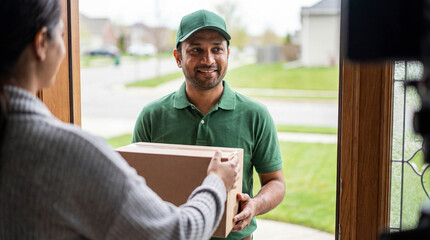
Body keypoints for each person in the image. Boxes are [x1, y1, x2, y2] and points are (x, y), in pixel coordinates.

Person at [0, 1, 240, 239]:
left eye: (216, 49)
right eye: (62, 35)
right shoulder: (71, 154)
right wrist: (217, 181)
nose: (64, 49)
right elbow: (176, 233)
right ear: (42, 43)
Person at [132, 9, 285, 240]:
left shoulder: (256, 115)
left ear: (228, 53)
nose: (209, 60)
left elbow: (275, 182)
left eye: (217, 49)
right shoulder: (152, 116)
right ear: (178, 57)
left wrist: (255, 205)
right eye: (196, 50)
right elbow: (136, 186)